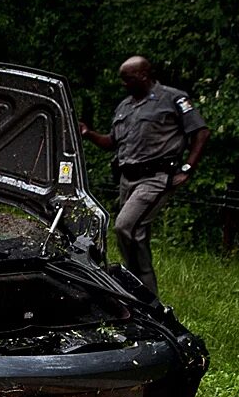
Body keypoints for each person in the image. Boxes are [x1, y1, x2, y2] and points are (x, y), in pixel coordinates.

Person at [80, 55, 210, 296]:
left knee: (124, 226)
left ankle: (132, 283)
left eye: (127, 79)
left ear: (143, 75)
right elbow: (111, 143)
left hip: (155, 177)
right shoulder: (124, 106)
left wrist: (188, 168)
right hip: (127, 179)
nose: (123, 84)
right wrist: (88, 133)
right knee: (136, 235)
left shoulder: (172, 98)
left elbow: (201, 132)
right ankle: (144, 294)